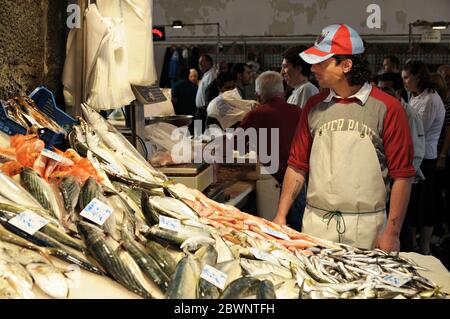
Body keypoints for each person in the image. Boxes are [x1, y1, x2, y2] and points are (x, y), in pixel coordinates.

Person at [273, 24, 415, 252]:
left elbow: (402, 177)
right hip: (316, 225)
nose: (313, 67)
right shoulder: (313, 106)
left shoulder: (387, 108)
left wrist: (392, 232)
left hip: (367, 229)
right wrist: (280, 216)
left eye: (322, 61)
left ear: (346, 65)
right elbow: (297, 166)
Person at [233, 71, 303, 229]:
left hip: (272, 184)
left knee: (272, 233)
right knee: (298, 233)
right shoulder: (298, 111)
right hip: (298, 184)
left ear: (258, 94)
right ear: (282, 91)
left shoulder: (256, 114)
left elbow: (235, 145)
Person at [401, 61, 446, 255]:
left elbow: (420, 131)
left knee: (425, 204)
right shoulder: (415, 96)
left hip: (426, 157)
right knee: (412, 203)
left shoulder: (431, 99)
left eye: (407, 78)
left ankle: (425, 246)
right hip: (414, 155)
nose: (405, 82)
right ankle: (412, 244)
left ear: (418, 77)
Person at [378, 72, 425, 181]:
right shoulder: (380, 110)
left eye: (385, 90)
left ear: (398, 92)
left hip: (400, 177)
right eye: (379, 89)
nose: (380, 93)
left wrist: (401, 180)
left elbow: (416, 151)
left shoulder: (409, 115)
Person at [193, 54, 217, 134]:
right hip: (200, 111)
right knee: (198, 134)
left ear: (210, 62)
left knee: (201, 136)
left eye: (202, 62)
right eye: (199, 62)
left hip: (205, 110)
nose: (200, 64)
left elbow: (211, 94)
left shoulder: (212, 75)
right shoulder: (206, 75)